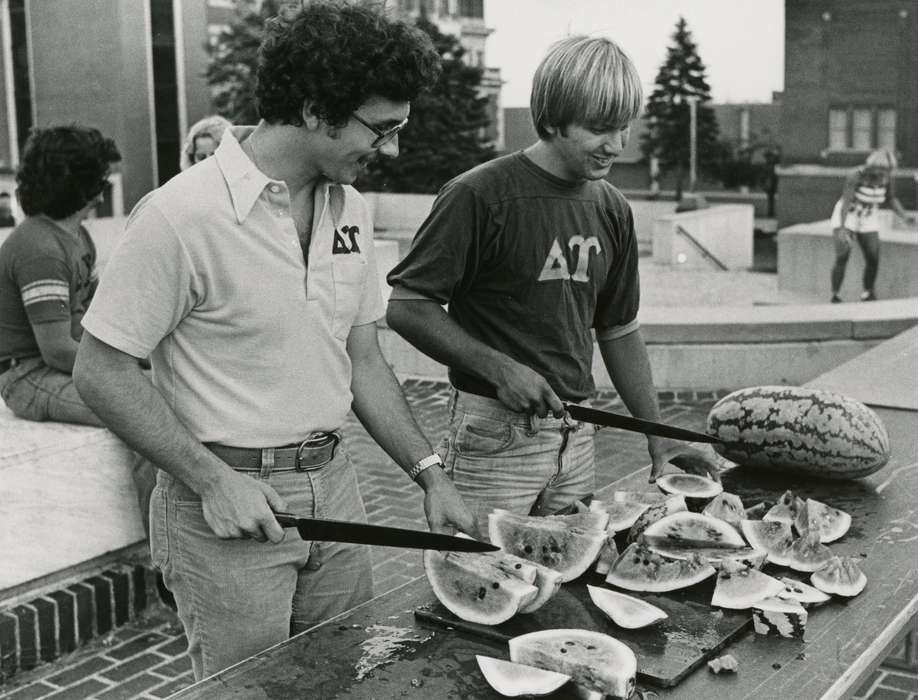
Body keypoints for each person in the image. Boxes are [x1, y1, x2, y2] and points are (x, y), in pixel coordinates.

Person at [73, 1, 475, 680]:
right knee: (246, 696)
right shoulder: (180, 215)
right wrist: (210, 480)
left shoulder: (351, 207)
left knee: (340, 681)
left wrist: (428, 472)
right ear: (317, 109)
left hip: (337, 489)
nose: (394, 149)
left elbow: (363, 358)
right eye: (382, 129)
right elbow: (100, 369)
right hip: (225, 509)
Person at [386, 35, 719, 535]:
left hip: (576, 435)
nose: (617, 145)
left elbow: (619, 330)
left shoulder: (612, 209)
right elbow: (408, 307)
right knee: (480, 590)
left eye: (624, 127)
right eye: (600, 129)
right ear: (551, 120)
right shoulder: (478, 195)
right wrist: (500, 369)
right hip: (492, 438)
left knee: (563, 594)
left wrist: (659, 437)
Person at [0, 125, 119, 426]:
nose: (103, 186)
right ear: (83, 185)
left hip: (73, 365)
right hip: (28, 375)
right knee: (139, 411)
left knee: (167, 394)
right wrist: (123, 372)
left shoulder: (80, 238)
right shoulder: (40, 249)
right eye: (99, 176)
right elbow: (56, 351)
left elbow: (98, 316)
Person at [830, 148, 917, 303]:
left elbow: (891, 199)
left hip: (868, 216)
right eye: (883, 170)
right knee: (843, 254)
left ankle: (867, 292)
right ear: (874, 165)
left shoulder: (887, 178)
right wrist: (842, 229)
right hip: (849, 215)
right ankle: (835, 294)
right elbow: (846, 201)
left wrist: (904, 217)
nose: (884, 174)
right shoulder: (856, 175)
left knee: (873, 256)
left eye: (888, 171)